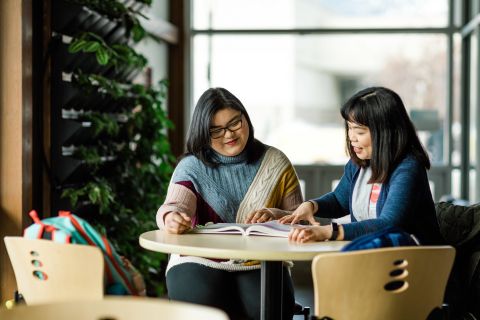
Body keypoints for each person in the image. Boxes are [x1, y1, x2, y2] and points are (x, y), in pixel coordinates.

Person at [156, 87, 302, 320]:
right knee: (202, 304)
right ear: (203, 133)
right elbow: (175, 205)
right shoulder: (192, 166)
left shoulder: (276, 162)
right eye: (216, 130)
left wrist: (275, 214)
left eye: (235, 123)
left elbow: (301, 219)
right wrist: (171, 218)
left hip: (261, 261)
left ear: (246, 118)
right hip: (199, 257)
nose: (229, 134)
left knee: (268, 307)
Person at [280, 86, 444, 245]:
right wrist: (312, 205)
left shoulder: (408, 168)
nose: (352, 137)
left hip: (415, 262)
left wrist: (329, 231)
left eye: (359, 131)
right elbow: (339, 200)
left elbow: (389, 224)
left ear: (385, 132)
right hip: (378, 256)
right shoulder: (359, 164)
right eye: (349, 128)